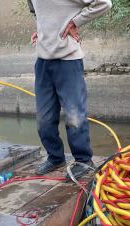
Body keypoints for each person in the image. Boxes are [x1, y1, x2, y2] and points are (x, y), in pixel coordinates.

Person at [27, 0, 112, 177]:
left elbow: (104, 3)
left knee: (74, 116)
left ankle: (83, 160)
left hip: (69, 60)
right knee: (43, 118)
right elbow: (39, 13)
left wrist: (76, 22)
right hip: (42, 61)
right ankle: (55, 158)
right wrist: (42, 31)